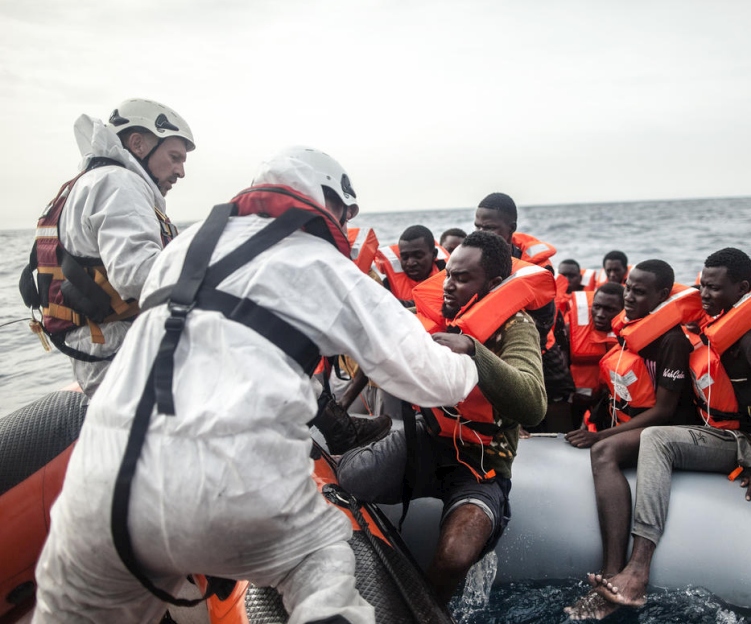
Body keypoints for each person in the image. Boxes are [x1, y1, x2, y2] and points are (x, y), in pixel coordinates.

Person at [33, 147, 485, 624]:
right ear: (325, 199)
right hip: (230, 492)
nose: (347, 221)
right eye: (345, 209)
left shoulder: (181, 251)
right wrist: (473, 361)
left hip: (98, 491)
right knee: (323, 560)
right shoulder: (320, 264)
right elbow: (430, 379)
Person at [589, 248, 751, 616]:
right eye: (702, 286)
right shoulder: (721, 323)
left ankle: (637, 570)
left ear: (742, 289)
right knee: (654, 437)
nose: (703, 295)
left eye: (714, 289)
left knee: (657, 438)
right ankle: (617, 572)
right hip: (730, 433)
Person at [337, 231, 547, 605]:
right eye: (448, 274)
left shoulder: (517, 326)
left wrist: (474, 350)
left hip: (482, 466)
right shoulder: (438, 314)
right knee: (350, 480)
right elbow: (374, 325)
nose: (448, 285)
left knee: (455, 556)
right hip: (428, 441)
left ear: (493, 284)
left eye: (462, 278)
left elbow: (534, 405)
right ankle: (361, 435)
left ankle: (424, 612)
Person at [20, 98, 194, 398]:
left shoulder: (90, 181)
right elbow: (137, 274)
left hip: (102, 353)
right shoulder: (118, 183)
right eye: (175, 157)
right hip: (122, 354)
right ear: (138, 144)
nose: (180, 171)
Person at [563, 261, 699, 620]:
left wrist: (601, 435)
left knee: (604, 452)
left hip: (671, 431)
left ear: (662, 295)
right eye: (629, 289)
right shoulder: (632, 328)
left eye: (640, 292)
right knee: (602, 445)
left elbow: (664, 411)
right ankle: (611, 575)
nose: (630, 297)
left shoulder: (672, 341)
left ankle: (611, 572)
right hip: (640, 425)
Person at [473, 192, 574, 430]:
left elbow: (544, 320)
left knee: (560, 392)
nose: (481, 233)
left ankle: (559, 441)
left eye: (489, 228)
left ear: (511, 228)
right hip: (487, 342)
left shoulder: (537, 267)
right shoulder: (473, 258)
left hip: (537, 342)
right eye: (477, 227)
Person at [561, 282, 623, 419]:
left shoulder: (628, 337)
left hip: (610, 402)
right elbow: (560, 371)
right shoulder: (570, 331)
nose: (600, 314)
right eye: (597, 307)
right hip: (576, 400)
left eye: (609, 309)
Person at [374, 224, 446, 306]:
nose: (410, 263)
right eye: (405, 257)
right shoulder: (388, 285)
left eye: (418, 256)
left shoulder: (450, 280)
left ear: (434, 254)